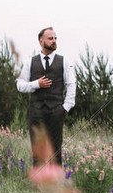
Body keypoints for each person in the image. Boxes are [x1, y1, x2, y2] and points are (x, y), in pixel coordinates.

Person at [16, 27, 76, 165]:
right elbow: (19, 85)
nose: (54, 41)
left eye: (55, 38)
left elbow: (71, 84)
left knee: (55, 150)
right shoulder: (30, 62)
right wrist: (36, 84)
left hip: (56, 111)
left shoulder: (65, 61)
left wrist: (66, 107)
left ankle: (56, 184)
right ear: (41, 41)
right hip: (35, 112)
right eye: (50, 38)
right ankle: (38, 185)